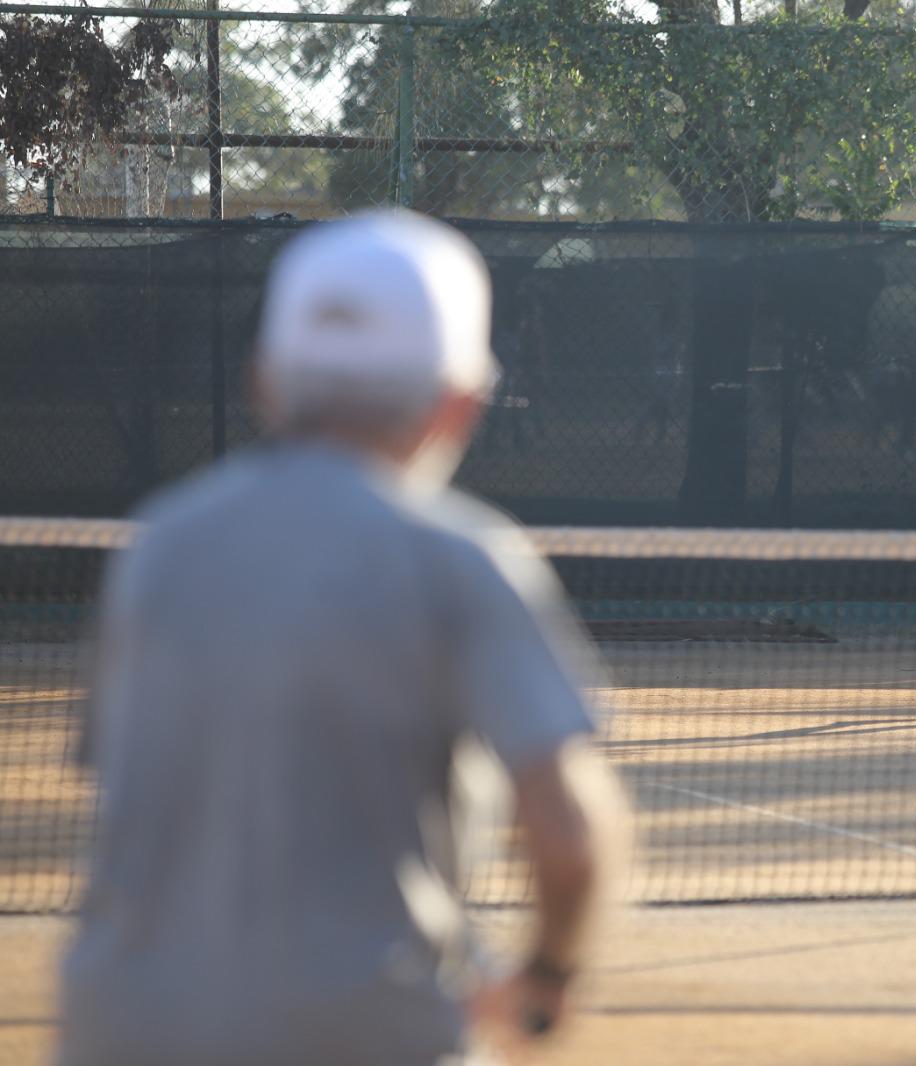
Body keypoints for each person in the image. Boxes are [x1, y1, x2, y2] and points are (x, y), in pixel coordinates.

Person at [57, 210, 627, 1066]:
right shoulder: (461, 557)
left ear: (265, 382)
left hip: (122, 1029)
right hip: (368, 1034)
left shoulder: (160, 546)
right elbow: (571, 836)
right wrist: (548, 975)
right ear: (460, 403)